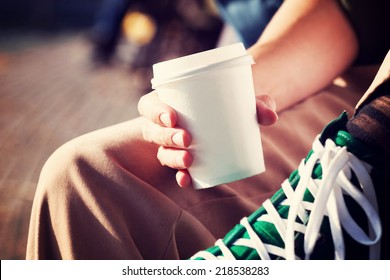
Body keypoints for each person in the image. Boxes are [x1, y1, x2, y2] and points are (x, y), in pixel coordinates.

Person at [26, 0, 389, 259]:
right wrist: (236, 91)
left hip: (373, 94)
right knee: (81, 174)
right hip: (316, 60)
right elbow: (347, 12)